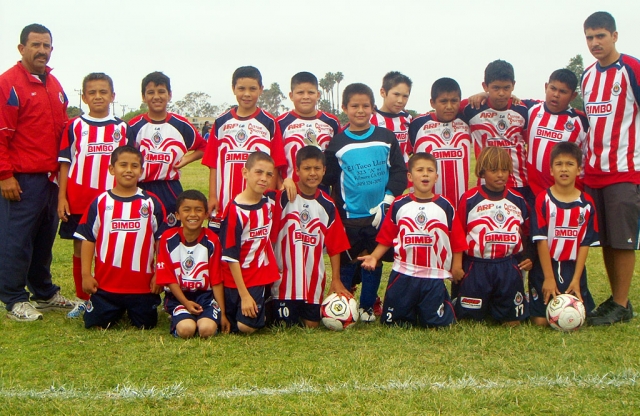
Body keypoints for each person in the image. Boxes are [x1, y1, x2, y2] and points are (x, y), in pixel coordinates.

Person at [0, 23, 75, 321]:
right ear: (21, 48)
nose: (42, 51)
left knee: (44, 238)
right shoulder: (9, 84)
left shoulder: (53, 84)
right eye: (36, 45)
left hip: (50, 178)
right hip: (21, 178)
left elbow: (65, 130)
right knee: (16, 239)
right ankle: (13, 298)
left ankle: (43, 293)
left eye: (47, 46)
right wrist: (5, 174)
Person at [323, 83, 407, 322]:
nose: (360, 111)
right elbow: (328, 177)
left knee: (373, 259)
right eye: (354, 106)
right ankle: (344, 302)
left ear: (373, 108)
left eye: (365, 106)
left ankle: (368, 306)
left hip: (379, 215)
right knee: (350, 260)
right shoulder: (337, 143)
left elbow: (400, 171)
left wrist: (388, 199)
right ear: (344, 108)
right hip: (349, 217)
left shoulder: (386, 137)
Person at [358, 153, 467, 327]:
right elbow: (387, 237)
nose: (425, 174)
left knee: (437, 324)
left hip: (433, 275)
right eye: (420, 170)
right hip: (404, 274)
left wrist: (457, 265)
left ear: (436, 176)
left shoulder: (445, 206)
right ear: (410, 176)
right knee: (393, 323)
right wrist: (374, 256)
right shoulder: (400, 204)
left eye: (430, 170)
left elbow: (457, 239)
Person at [581, 11, 639, 325]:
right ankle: (617, 301)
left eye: (600, 36)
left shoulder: (632, 69)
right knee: (604, 240)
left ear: (614, 36)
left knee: (623, 240)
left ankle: (620, 302)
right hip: (594, 172)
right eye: (589, 37)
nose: (595, 43)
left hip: (625, 170)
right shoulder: (587, 76)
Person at [57, 72, 131, 318]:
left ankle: (110, 296)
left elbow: (129, 164)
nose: (98, 96)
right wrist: (62, 197)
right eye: (92, 92)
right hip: (80, 199)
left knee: (110, 248)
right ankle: (83, 298)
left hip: (113, 200)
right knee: (81, 248)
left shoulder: (121, 127)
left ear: (112, 96)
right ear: (84, 97)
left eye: (103, 92)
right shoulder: (74, 126)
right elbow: (65, 163)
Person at [75, 146, 166, 329]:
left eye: (134, 166)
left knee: (145, 325)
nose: (128, 170)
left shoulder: (151, 202)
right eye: (123, 165)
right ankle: (109, 307)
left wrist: (160, 274)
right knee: (94, 325)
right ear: (111, 169)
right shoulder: (101, 202)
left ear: (141, 171)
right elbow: (87, 238)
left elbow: (162, 239)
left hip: (142, 287)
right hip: (106, 287)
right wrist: (86, 274)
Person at [270, 146, 351, 328]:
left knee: (311, 325)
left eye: (317, 168)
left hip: (312, 285)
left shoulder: (327, 205)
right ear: (297, 170)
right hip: (284, 285)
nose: (312, 173)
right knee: (285, 325)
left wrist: (336, 279)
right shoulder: (283, 198)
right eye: (306, 169)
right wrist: (286, 182)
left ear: (324, 170)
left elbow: (335, 245)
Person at [454, 147, 532, 325]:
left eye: (504, 170)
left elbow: (528, 232)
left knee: (512, 322)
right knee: (470, 320)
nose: (500, 175)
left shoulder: (517, 199)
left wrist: (528, 256)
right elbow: (458, 234)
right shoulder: (469, 199)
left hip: (507, 266)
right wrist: (457, 265)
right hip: (477, 266)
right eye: (494, 170)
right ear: (482, 171)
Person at [202, 66, 286, 232]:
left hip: (258, 202)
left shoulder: (269, 122)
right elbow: (213, 164)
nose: (247, 94)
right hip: (225, 201)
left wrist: (269, 196)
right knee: (222, 251)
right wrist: (212, 196)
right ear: (233, 89)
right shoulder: (221, 122)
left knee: (252, 249)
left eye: (252, 89)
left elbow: (275, 164)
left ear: (261, 90)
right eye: (241, 88)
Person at [529, 142, 598, 326]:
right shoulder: (543, 200)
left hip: (572, 267)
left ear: (579, 170)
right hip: (545, 267)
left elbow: (585, 244)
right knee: (540, 322)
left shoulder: (587, 204)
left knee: (578, 319)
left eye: (570, 164)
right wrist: (549, 278)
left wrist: (576, 279)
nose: (564, 169)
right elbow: (541, 241)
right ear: (551, 170)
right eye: (559, 164)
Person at [127, 71, 206, 227]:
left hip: (169, 187)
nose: (156, 96)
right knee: (142, 235)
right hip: (140, 187)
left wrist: (186, 160)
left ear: (169, 95)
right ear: (143, 97)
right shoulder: (134, 126)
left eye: (161, 92)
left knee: (169, 236)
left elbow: (204, 147)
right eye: (150, 92)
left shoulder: (180, 124)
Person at [219, 151, 280, 334]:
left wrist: (291, 181)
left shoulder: (270, 200)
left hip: (257, 275)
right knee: (225, 323)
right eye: (258, 172)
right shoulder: (234, 211)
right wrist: (244, 295)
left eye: (269, 174)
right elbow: (230, 256)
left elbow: (291, 191)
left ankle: (265, 302)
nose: (264, 178)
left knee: (246, 327)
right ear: (245, 173)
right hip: (233, 277)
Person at [156, 190, 230, 338]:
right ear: (177, 215)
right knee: (186, 330)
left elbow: (216, 279)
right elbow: (169, 278)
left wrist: (222, 313)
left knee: (206, 330)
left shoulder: (212, 240)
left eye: (198, 210)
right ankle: (180, 319)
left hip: (206, 296)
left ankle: (206, 318)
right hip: (179, 297)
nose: (193, 214)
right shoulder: (167, 239)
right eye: (186, 210)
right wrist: (186, 303)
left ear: (205, 214)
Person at [462, 60, 533, 205]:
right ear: (485, 86)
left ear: (513, 85)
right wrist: (482, 95)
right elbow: (448, 105)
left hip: (519, 184)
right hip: (486, 185)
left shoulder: (523, 109)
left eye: (506, 88)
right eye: (495, 88)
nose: (501, 93)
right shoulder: (472, 108)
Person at [524, 69, 589, 196]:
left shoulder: (582, 122)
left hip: (567, 197)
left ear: (573, 96)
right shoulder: (530, 109)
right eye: (553, 88)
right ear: (546, 87)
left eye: (563, 91)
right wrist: (485, 94)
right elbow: (503, 101)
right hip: (534, 194)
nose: (556, 94)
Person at [409, 77, 472, 205]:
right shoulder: (417, 124)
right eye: (443, 101)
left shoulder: (467, 120)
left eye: (454, 101)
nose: (449, 106)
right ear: (432, 102)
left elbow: (483, 102)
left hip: (459, 204)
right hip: (426, 204)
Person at [277, 71, 341, 184]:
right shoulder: (280, 123)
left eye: (310, 92)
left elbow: (337, 162)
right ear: (291, 96)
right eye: (300, 92)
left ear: (318, 94)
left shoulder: (332, 122)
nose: (305, 97)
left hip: (322, 192)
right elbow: (275, 164)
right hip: (291, 193)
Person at [371, 71, 413, 165]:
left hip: (403, 174)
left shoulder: (408, 118)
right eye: (396, 94)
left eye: (405, 96)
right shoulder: (370, 118)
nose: (400, 101)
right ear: (383, 92)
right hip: (379, 173)